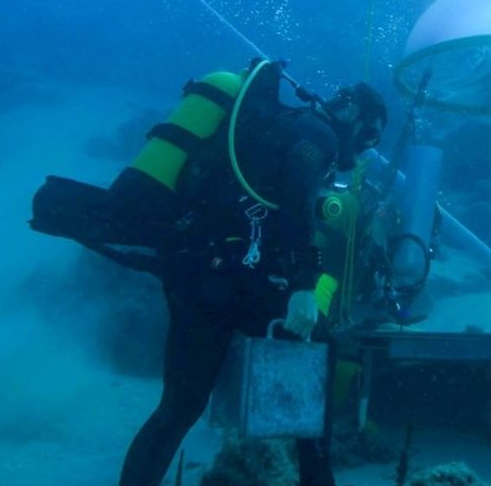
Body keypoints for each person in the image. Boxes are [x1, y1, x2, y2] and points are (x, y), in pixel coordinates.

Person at [30, 59, 387, 486]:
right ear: (355, 119)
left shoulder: (286, 125)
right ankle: (315, 478)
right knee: (317, 346)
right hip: (230, 281)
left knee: (180, 407)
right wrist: (303, 286)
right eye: (370, 137)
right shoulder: (318, 136)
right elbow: (294, 203)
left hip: (193, 275)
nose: (364, 150)